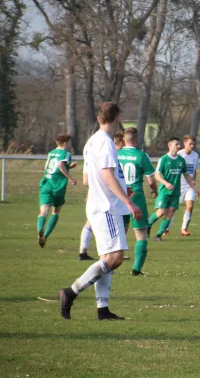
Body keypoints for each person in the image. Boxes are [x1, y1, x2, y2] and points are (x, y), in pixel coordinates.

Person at [58, 102, 142, 320]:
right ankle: (71, 291)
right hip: (107, 207)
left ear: (98, 118)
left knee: (106, 258)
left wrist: (123, 187)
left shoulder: (91, 142)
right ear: (117, 118)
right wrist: (128, 202)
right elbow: (107, 175)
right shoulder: (105, 142)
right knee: (115, 258)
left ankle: (102, 310)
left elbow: (87, 179)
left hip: (97, 204)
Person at [118, 127, 169, 276]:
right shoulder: (141, 156)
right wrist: (154, 190)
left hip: (119, 197)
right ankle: (136, 270)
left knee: (119, 233)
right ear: (137, 140)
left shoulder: (116, 154)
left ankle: (109, 265)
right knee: (141, 235)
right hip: (136, 197)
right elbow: (151, 179)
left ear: (123, 140)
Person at [78, 133, 126, 261]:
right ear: (120, 142)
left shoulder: (95, 150)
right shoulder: (106, 153)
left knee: (91, 222)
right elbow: (94, 179)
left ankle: (84, 251)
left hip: (98, 194)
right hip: (104, 198)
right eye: (123, 142)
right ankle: (101, 259)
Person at [148, 137, 200, 242]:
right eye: (176, 144)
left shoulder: (181, 160)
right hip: (164, 191)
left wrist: (194, 188)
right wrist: (166, 183)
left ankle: (158, 235)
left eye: (179, 144)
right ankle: (147, 225)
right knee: (161, 212)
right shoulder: (164, 159)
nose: (179, 146)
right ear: (170, 145)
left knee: (171, 211)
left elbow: (187, 175)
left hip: (176, 191)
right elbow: (157, 175)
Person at [37, 133, 77, 247]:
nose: (70, 145)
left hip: (46, 184)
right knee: (55, 211)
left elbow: (49, 167)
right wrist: (70, 178)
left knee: (43, 212)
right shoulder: (66, 154)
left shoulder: (51, 153)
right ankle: (45, 236)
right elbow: (60, 165)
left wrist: (69, 167)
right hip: (58, 186)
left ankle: (40, 230)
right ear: (65, 143)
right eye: (70, 143)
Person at [177, 135, 200, 236]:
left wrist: (194, 182)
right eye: (190, 143)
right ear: (184, 143)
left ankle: (184, 229)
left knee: (190, 206)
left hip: (190, 186)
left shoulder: (195, 155)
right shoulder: (178, 155)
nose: (192, 146)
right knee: (171, 209)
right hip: (178, 185)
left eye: (193, 144)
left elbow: (194, 170)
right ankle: (166, 227)